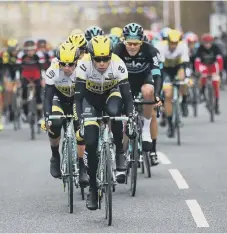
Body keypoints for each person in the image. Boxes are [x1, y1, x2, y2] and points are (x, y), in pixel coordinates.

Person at [73, 35, 135, 210]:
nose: (102, 63)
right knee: (90, 144)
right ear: (91, 56)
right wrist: (79, 123)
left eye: (105, 59)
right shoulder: (83, 65)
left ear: (111, 55)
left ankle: (119, 152)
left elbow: (128, 97)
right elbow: (77, 98)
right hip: (90, 101)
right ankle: (93, 188)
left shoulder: (118, 64)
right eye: (98, 59)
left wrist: (130, 117)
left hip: (111, 95)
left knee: (114, 113)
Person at [114, 22, 162, 165]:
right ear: (124, 41)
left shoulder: (150, 50)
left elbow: (158, 74)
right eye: (129, 43)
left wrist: (157, 95)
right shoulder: (117, 50)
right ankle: (120, 154)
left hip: (144, 80)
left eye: (136, 44)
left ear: (142, 41)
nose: (133, 47)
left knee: (149, 92)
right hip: (125, 82)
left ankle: (146, 127)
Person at [42, 42, 89, 186]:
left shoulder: (83, 69)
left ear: (77, 61)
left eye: (70, 64)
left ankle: (82, 166)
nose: (67, 68)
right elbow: (48, 97)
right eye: (63, 64)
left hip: (77, 100)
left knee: (80, 131)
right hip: (59, 99)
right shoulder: (53, 70)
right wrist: (47, 116)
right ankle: (55, 155)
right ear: (58, 62)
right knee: (55, 123)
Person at [156, 29, 190, 137]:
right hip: (165, 70)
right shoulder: (161, 46)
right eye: (171, 43)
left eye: (176, 43)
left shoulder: (183, 46)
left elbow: (186, 64)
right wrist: (161, 79)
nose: (173, 45)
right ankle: (170, 124)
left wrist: (187, 77)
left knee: (183, 78)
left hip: (178, 67)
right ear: (168, 41)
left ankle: (184, 101)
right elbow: (159, 65)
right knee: (168, 95)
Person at [16, 39, 45, 122]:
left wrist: (43, 79)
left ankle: (40, 116)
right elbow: (18, 68)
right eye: (28, 50)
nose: (30, 52)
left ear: (35, 49)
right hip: (26, 75)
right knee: (24, 91)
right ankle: (25, 113)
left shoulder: (39, 54)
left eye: (32, 50)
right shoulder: (21, 55)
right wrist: (18, 79)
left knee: (39, 92)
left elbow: (42, 68)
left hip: (36, 75)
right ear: (25, 50)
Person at [194, 33, 223, 114]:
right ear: (203, 42)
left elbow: (220, 59)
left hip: (213, 66)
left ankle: (216, 104)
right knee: (202, 78)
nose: (207, 45)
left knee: (215, 84)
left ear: (212, 42)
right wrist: (198, 70)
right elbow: (197, 61)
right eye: (205, 43)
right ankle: (202, 92)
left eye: (209, 43)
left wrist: (219, 70)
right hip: (204, 66)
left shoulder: (215, 48)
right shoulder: (200, 49)